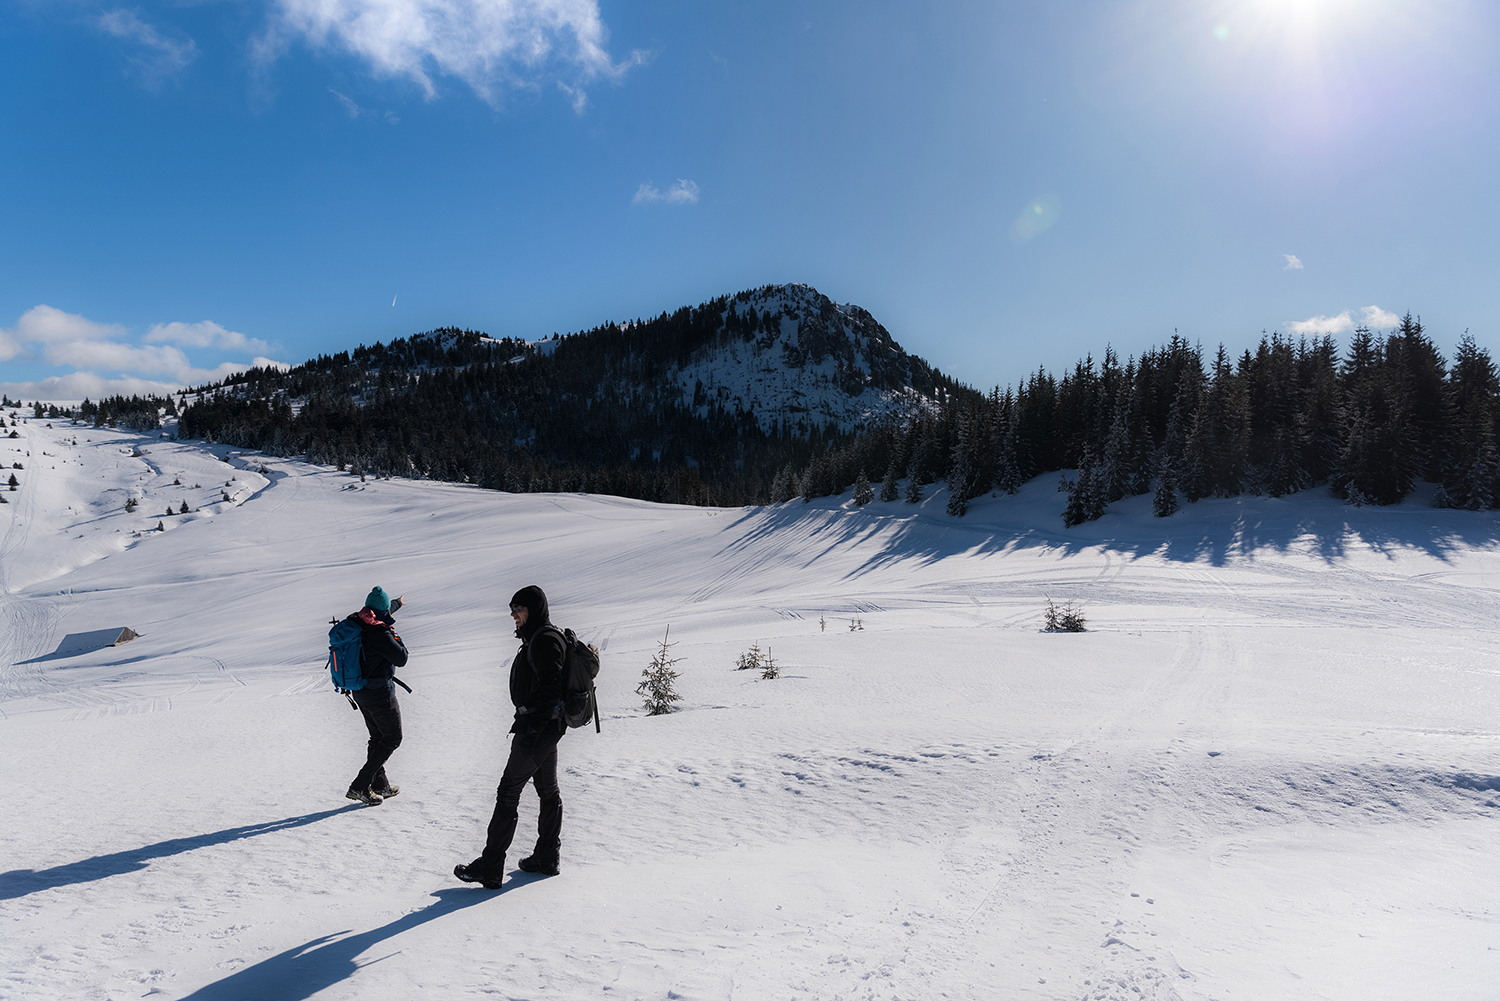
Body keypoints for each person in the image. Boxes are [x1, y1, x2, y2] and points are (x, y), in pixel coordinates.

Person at [455, 585, 566, 888]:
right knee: (548, 790)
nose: (513, 614)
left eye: (519, 608)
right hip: (546, 729)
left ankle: (490, 867)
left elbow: (551, 688)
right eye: (511, 608)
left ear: (535, 609)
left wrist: (533, 728)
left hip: (538, 730)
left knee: (508, 792)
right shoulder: (539, 636)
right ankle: (546, 857)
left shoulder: (544, 640)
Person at [345, 586, 408, 806]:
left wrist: (396, 603)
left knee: (377, 738)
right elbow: (402, 658)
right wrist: (394, 635)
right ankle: (360, 785)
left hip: (360, 692)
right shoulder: (380, 634)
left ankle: (381, 785)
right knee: (392, 738)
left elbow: (382, 609)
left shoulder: (357, 621)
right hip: (380, 695)